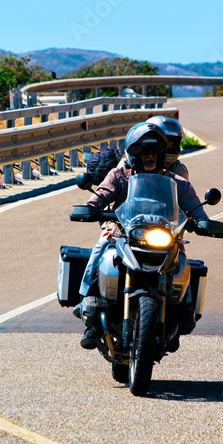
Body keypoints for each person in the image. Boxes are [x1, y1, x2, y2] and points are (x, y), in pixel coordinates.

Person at [75, 122, 208, 349]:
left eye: (154, 153)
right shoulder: (119, 174)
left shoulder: (177, 181)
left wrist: (203, 221)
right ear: (132, 153)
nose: (149, 157)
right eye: (142, 152)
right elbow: (103, 193)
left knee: (182, 261)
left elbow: (195, 207)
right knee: (100, 250)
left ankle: (184, 313)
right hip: (123, 233)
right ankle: (87, 302)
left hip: (163, 236)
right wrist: (90, 207)